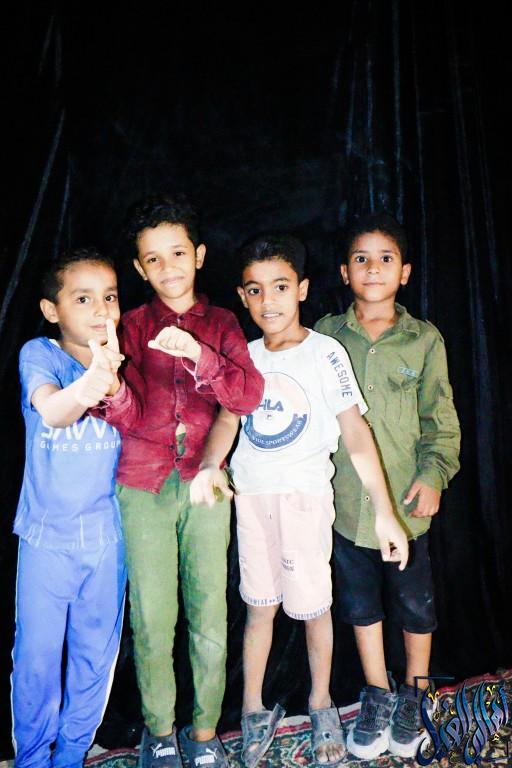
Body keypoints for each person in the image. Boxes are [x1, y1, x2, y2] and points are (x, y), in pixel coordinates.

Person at [190, 234, 408, 768]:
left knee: (314, 608)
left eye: (281, 287)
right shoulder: (242, 357)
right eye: (256, 290)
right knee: (258, 608)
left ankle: (320, 703)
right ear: (243, 296)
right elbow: (227, 419)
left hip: (306, 502)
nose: (269, 301)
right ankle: (252, 708)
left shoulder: (326, 352)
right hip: (252, 502)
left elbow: (355, 433)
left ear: (303, 289)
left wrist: (385, 512)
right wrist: (209, 464)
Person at [92, 194, 264, 768]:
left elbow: (245, 396)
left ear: (199, 255)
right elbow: (126, 415)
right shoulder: (130, 327)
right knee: (152, 616)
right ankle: (160, 731)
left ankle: (205, 731)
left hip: (207, 485)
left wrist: (199, 356)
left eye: (178, 253)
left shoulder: (223, 323)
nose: (168, 268)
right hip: (142, 485)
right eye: (153, 259)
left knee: (210, 611)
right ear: (139, 269)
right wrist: (113, 388)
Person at [315, 213, 461, 760]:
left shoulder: (423, 340)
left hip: (405, 504)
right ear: (344, 272)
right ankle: (377, 691)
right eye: (361, 259)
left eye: (385, 259)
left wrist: (433, 474)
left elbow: (440, 420)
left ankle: (415, 691)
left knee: (415, 605)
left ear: (405, 273)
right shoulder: (325, 335)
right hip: (343, 505)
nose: (373, 269)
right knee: (360, 604)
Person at [11, 248, 127, 768]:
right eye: (83, 299)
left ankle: (72, 754)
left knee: (94, 657)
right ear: (51, 309)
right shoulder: (40, 353)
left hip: (107, 541)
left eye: (110, 297)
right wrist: (94, 381)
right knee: (36, 659)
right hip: (46, 539)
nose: (101, 309)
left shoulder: (127, 360)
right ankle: (34, 758)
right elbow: (53, 410)